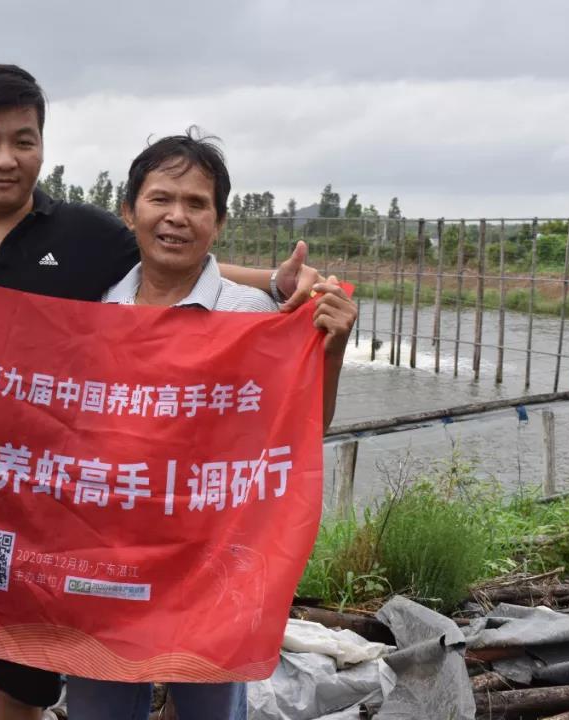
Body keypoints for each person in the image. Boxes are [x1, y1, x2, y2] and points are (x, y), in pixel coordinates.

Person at [0, 64, 322, 720]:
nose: (6, 158)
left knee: (24, 690)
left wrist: (273, 283)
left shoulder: (82, 236)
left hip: (44, 521)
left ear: (43, 145)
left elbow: (170, 252)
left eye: (24, 140)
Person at [64, 129, 356, 720]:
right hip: (106, 556)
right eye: (160, 199)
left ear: (218, 222)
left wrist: (330, 351)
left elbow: (302, 431)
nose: (177, 216)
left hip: (214, 565)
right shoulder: (92, 310)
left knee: (211, 707)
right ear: (129, 211)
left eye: (196, 204)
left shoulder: (255, 317)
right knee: (100, 705)